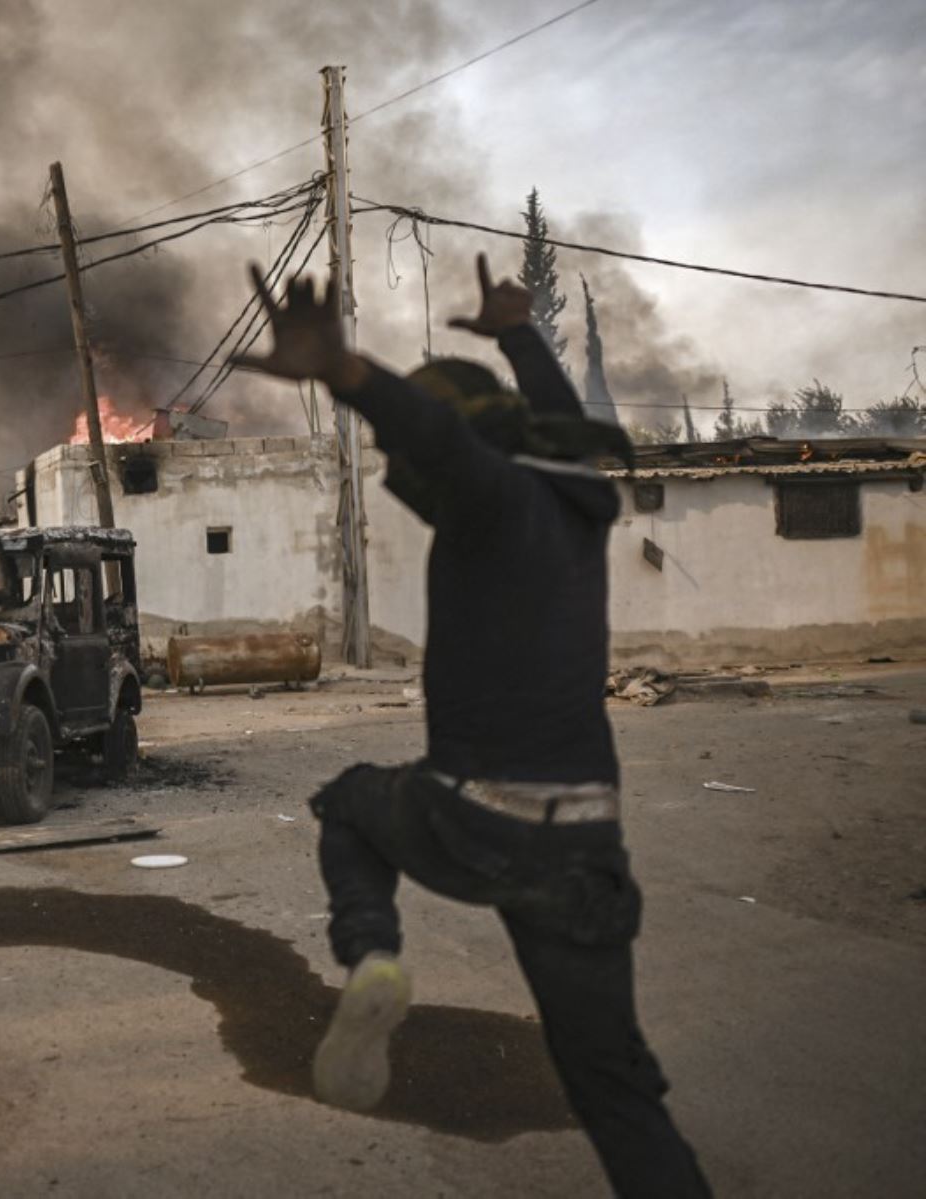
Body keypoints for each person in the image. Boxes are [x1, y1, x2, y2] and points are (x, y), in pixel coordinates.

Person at [232, 255, 710, 1198]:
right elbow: (548, 422)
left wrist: (348, 373)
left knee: (350, 803)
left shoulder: (490, 500)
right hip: (586, 844)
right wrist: (519, 333)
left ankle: (372, 956)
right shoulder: (574, 495)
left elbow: (442, 442)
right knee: (615, 1089)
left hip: (474, 814)